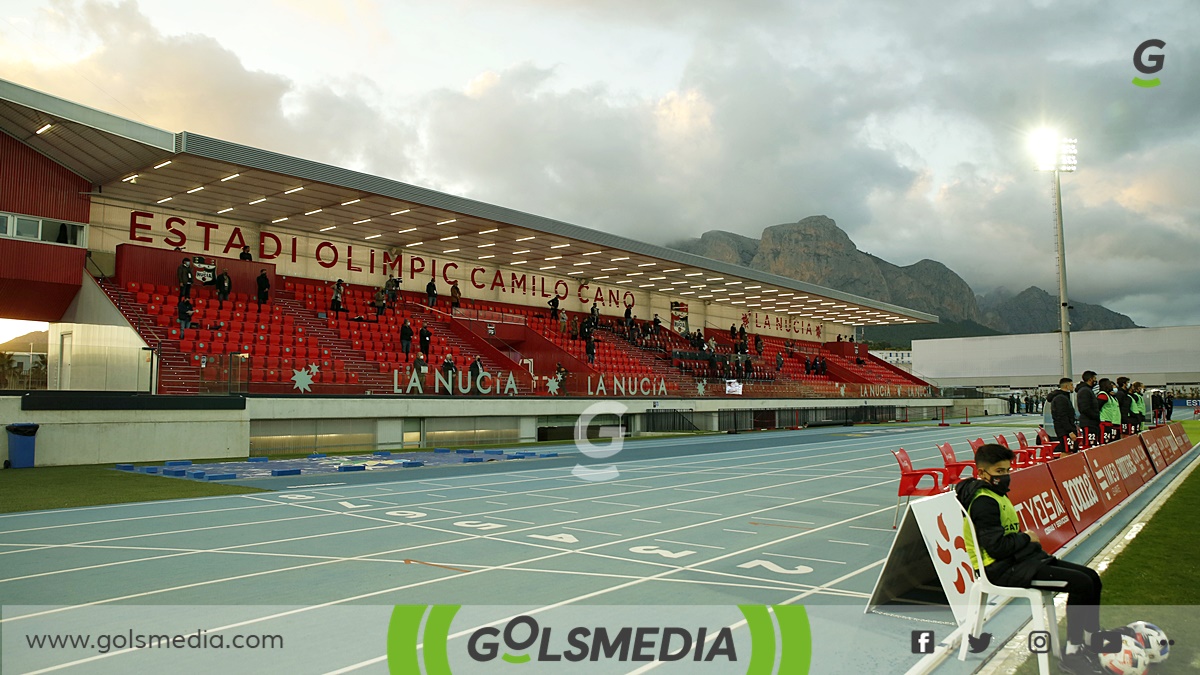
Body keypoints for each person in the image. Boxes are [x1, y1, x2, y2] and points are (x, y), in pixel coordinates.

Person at [958, 444, 1105, 675]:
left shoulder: (995, 495)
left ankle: (1091, 641)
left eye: (1007, 470)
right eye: (999, 472)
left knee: (1092, 577)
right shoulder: (984, 502)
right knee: (1082, 583)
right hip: (999, 569)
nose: (1005, 476)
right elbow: (997, 548)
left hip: (1018, 561)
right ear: (982, 473)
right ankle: (1074, 654)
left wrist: (1024, 541)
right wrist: (1027, 538)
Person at [1047, 377, 1078, 454]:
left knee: (1069, 450)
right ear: (1066, 386)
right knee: (1066, 451)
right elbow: (1062, 416)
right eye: (1071, 385)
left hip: (1066, 429)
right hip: (1064, 431)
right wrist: (1069, 431)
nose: (1073, 387)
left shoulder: (1064, 397)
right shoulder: (1060, 399)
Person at [1075, 371, 1100, 448]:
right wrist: (1095, 416)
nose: (1096, 380)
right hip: (1088, 423)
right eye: (1094, 378)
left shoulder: (1088, 390)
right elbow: (1084, 408)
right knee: (1088, 445)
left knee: (1093, 444)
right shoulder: (1084, 391)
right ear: (1090, 379)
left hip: (1092, 423)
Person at [1096, 377, 1120, 444]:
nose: (1111, 386)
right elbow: (1097, 408)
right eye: (1110, 384)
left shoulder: (1110, 396)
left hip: (1110, 423)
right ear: (1105, 385)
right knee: (1104, 443)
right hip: (1104, 423)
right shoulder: (1103, 395)